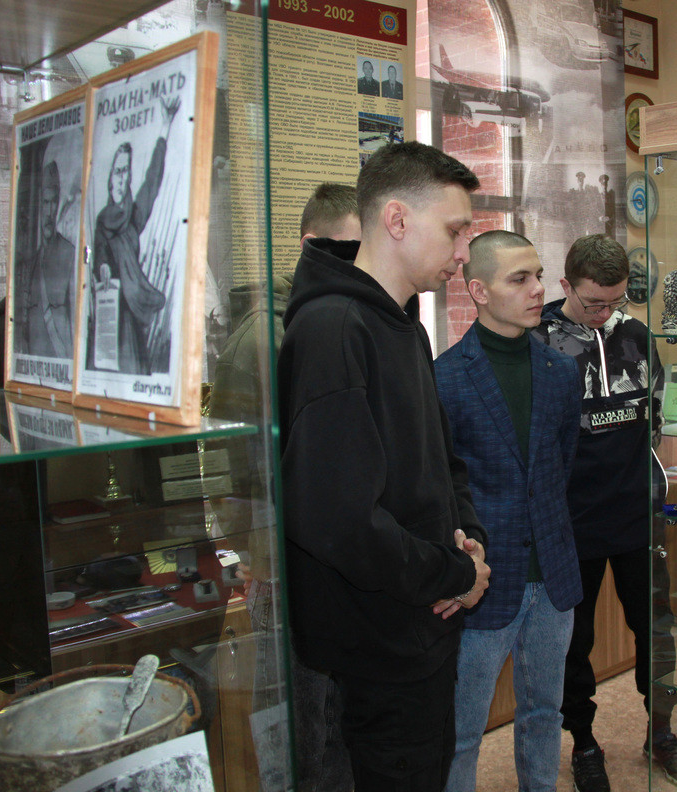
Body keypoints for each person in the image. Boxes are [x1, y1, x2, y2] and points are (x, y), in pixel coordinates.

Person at [278, 141, 490, 791]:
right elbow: (337, 520)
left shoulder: (404, 326)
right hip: (379, 645)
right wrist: (454, 573)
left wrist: (470, 540)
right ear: (397, 219)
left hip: (422, 625)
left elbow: (441, 462)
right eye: (455, 230)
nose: (463, 252)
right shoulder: (334, 329)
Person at [210, 183, 361, 792]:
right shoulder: (269, 338)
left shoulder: (328, 317)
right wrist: (262, 561)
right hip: (286, 567)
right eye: (348, 249)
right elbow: (246, 475)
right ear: (311, 245)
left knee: (338, 725)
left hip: (333, 559)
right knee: (302, 734)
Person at [532, 234, 677, 791]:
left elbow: (653, 417)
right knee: (573, 643)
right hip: (571, 523)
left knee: (656, 630)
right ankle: (583, 742)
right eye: (593, 302)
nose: (605, 313)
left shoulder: (636, 336)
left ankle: (662, 730)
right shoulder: (539, 341)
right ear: (566, 286)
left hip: (636, 516)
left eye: (616, 301)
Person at [435, 231, 582, 792]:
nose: (537, 289)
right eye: (519, 279)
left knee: (545, 713)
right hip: (484, 579)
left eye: (538, 276)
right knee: (461, 730)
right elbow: (441, 489)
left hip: (554, 577)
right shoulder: (444, 378)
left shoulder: (560, 371)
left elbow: (559, 468)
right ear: (478, 290)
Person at [88, 94, 180, 375]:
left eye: (126, 172)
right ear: (110, 176)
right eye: (118, 172)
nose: (123, 178)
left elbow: (152, 182)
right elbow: (99, 251)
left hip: (130, 318)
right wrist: (103, 267)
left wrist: (165, 127)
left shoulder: (133, 219)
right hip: (108, 314)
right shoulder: (102, 221)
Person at [20, 160, 77, 358]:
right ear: (39, 205)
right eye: (45, 203)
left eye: (54, 202)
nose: (50, 211)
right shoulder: (32, 264)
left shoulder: (69, 254)